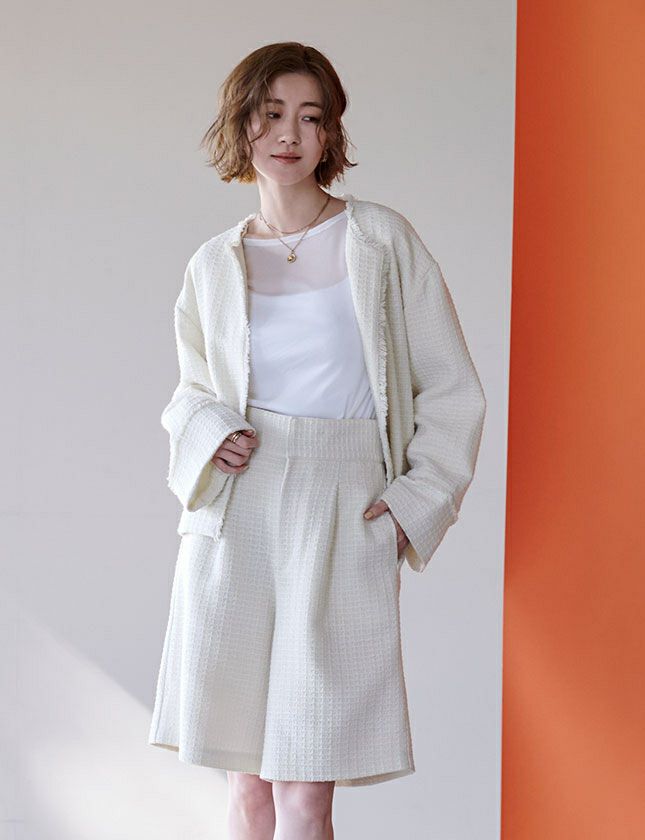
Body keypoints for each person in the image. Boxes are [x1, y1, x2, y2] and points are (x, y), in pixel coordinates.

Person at [148, 41, 487, 840]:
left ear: (331, 133)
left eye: (311, 117)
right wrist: (209, 434)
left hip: (345, 503)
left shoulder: (381, 240)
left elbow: (451, 386)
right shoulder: (213, 264)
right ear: (242, 124)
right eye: (272, 114)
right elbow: (191, 392)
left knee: (307, 792)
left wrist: (413, 504)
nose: (290, 135)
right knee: (247, 788)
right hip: (237, 511)